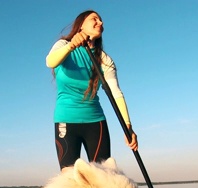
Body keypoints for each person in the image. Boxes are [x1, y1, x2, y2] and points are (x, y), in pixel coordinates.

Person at [46, 10, 138, 171]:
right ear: (81, 25)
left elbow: (116, 94)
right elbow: (50, 62)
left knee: (104, 176)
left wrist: (128, 126)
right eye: (94, 19)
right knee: (70, 178)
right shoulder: (62, 45)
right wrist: (72, 45)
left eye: (101, 21)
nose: (100, 23)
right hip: (66, 120)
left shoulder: (105, 60)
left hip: (96, 123)